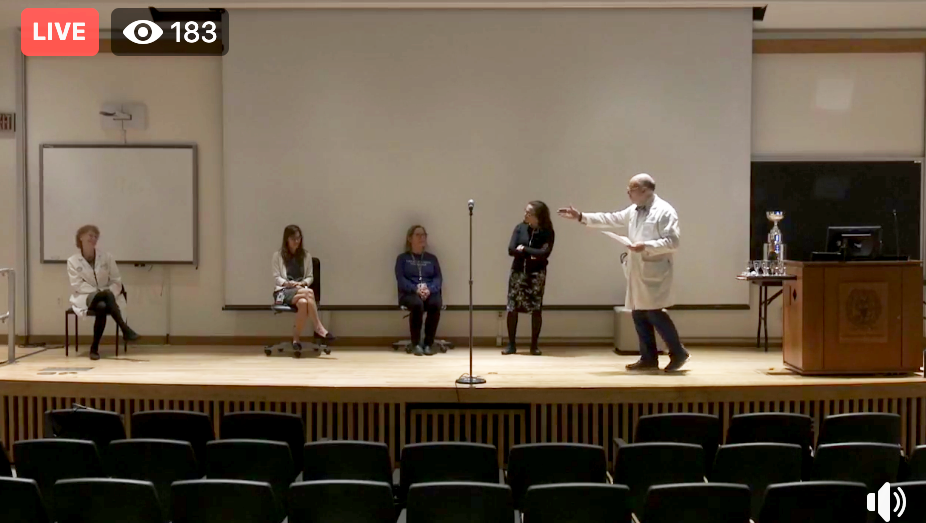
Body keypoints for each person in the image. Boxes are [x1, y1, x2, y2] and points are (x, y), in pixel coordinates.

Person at [558, 173, 690, 372]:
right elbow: (611, 218)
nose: (628, 193)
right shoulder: (634, 210)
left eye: (632, 189)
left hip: (654, 269)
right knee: (638, 313)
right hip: (638, 269)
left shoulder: (665, 211)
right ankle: (648, 357)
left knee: (654, 312)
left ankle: (678, 352)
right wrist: (581, 217)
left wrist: (645, 245)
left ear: (645, 190)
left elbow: (673, 242)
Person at [67, 225, 139, 360]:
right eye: (90, 235)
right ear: (81, 237)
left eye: (95, 236)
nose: (93, 238)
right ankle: (124, 329)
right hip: (85, 296)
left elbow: (116, 280)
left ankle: (94, 348)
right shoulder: (72, 261)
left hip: (107, 298)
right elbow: (77, 284)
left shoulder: (107, 257)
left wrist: (106, 292)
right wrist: (98, 292)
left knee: (102, 306)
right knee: (104, 295)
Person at [272, 224, 335, 351]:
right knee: (309, 293)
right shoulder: (278, 256)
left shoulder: (306, 256)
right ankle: (319, 328)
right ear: (287, 239)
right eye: (293, 239)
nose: (297, 241)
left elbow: (310, 277)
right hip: (283, 292)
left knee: (303, 302)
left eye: (299, 238)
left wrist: (303, 284)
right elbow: (276, 277)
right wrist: (288, 284)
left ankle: (296, 339)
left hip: (301, 291)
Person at [504, 201, 554, 356]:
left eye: (529, 213)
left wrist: (524, 249)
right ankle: (511, 344)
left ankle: (534, 345)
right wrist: (531, 254)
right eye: (525, 212)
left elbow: (544, 254)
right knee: (512, 308)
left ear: (538, 216)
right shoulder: (520, 228)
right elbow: (511, 249)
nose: (525, 215)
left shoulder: (547, 232)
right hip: (518, 272)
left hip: (536, 274)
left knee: (536, 309)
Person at [395, 225, 443, 356]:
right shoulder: (402, 259)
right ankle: (415, 343)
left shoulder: (432, 258)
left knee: (435, 303)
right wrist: (415, 289)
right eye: (418, 235)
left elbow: (438, 278)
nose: (422, 237)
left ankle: (428, 343)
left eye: (424, 235)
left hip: (429, 292)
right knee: (417, 304)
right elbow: (401, 279)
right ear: (410, 238)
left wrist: (429, 289)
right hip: (409, 293)